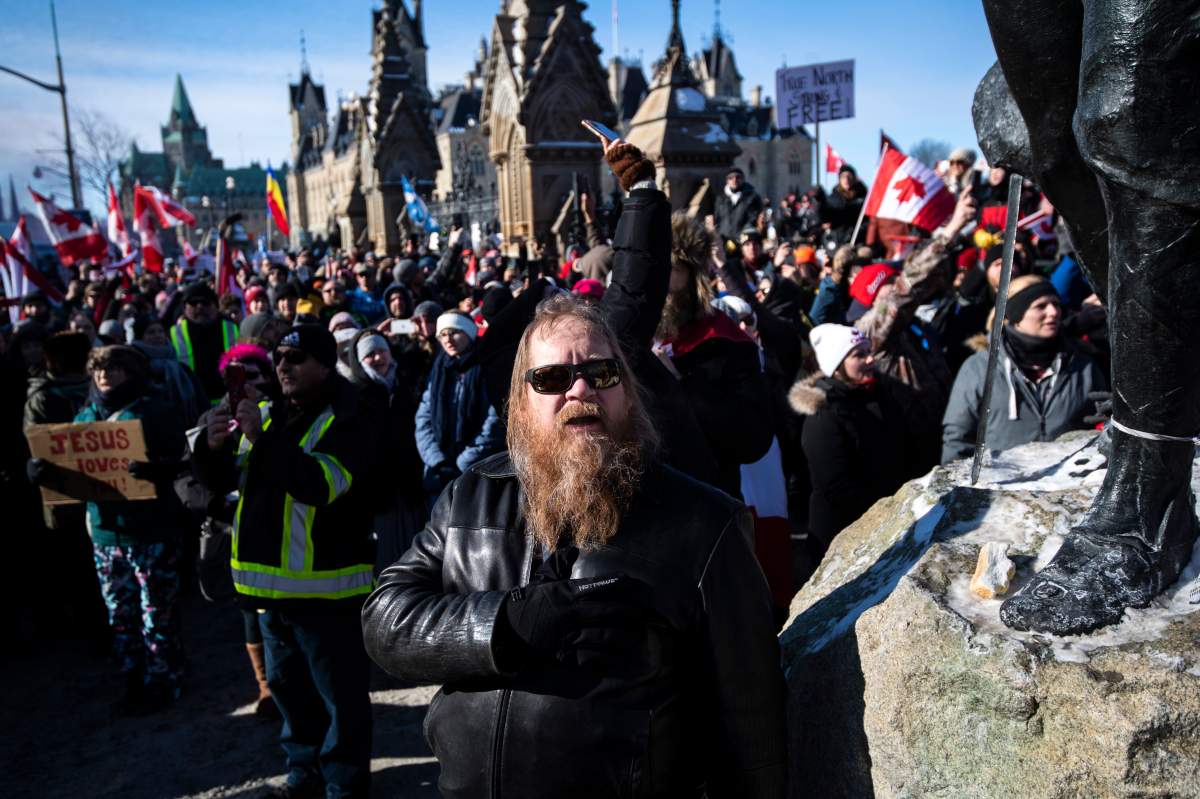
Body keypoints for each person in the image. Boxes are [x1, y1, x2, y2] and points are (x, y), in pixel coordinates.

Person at [362, 294, 786, 798]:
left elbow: (753, 727)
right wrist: (501, 625)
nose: (580, 388)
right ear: (522, 402)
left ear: (627, 391)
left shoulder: (704, 523)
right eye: (552, 379)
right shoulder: (469, 498)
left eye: (601, 373)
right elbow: (386, 620)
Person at [191, 324, 377, 798]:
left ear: (323, 363)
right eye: (278, 358)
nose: (283, 366)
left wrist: (261, 437)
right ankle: (304, 770)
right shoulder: (267, 415)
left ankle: (344, 783)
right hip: (270, 592)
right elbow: (223, 485)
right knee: (291, 695)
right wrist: (209, 448)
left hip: (327, 591)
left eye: (296, 357)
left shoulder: (350, 416)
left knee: (341, 701)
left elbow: (321, 485)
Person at [28, 345, 188, 713]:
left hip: (151, 531)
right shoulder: (85, 417)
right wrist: (41, 473)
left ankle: (165, 679)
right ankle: (134, 678)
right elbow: (72, 472)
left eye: (113, 368)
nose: (104, 376)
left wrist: (157, 470)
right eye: (98, 369)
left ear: (131, 372)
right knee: (121, 613)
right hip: (104, 533)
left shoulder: (155, 411)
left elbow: (182, 464)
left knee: (156, 612)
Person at [941, 275, 1107, 464]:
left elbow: (1103, 429)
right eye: (1040, 306)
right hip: (1001, 488)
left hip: (1066, 485)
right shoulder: (979, 368)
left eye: (1056, 304)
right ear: (1015, 314)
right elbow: (958, 440)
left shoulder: (1083, 365)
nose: (1053, 312)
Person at [791, 324, 909, 562]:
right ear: (836, 367)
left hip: (886, 521)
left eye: (868, 351)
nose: (870, 359)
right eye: (859, 355)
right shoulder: (822, 414)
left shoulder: (880, 393)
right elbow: (836, 486)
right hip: (841, 535)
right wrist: (883, 513)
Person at [346, 329, 425, 573]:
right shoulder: (354, 394)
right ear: (359, 360)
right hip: (378, 493)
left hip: (410, 487)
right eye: (370, 354)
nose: (378, 358)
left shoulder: (405, 385)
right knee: (388, 562)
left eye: (382, 351)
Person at [414, 312, 504, 504]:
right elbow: (423, 418)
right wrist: (437, 460)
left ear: (469, 333)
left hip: (477, 471)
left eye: (454, 332)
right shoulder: (438, 369)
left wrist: (464, 461)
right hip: (439, 473)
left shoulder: (485, 367)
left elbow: (493, 419)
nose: (448, 339)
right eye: (442, 334)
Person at [170, 282, 239, 404]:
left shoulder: (231, 328)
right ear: (185, 308)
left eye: (205, 302)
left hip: (228, 401)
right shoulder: (175, 332)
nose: (199, 307)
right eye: (193, 303)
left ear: (216, 307)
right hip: (191, 403)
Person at [713, 166, 764, 245]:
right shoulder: (721, 199)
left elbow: (753, 220)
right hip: (724, 241)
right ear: (727, 181)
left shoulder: (752, 197)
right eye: (731, 178)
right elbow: (717, 219)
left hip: (744, 242)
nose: (735, 180)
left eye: (738, 177)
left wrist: (741, 237)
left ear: (743, 179)